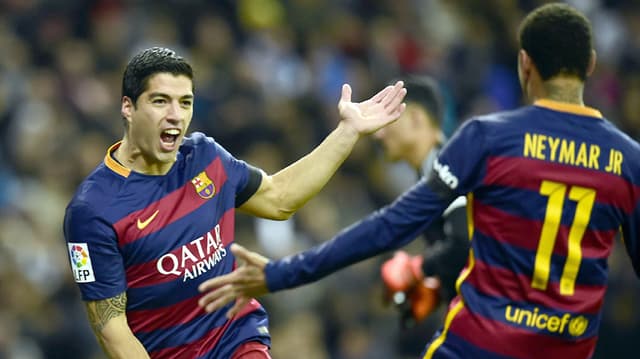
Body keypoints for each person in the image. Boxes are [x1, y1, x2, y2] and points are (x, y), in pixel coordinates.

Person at [197, 4, 640, 358]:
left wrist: (280, 274)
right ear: (592, 65)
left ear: (524, 64)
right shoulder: (629, 160)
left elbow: (393, 225)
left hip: (480, 346)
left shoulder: (489, 138)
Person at [62, 46, 406, 359]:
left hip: (236, 339)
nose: (176, 116)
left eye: (185, 102)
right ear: (128, 107)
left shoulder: (204, 157)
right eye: (160, 101)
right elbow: (111, 329)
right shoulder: (92, 211)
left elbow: (279, 199)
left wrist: (346, 133)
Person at [373, 76, 468, 332]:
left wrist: (419, 268)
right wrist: (437, 288)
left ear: (415, 118)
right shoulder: (428, 172)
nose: (379, 133)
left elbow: (465, 240)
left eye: (389, 119)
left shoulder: (445, 166)